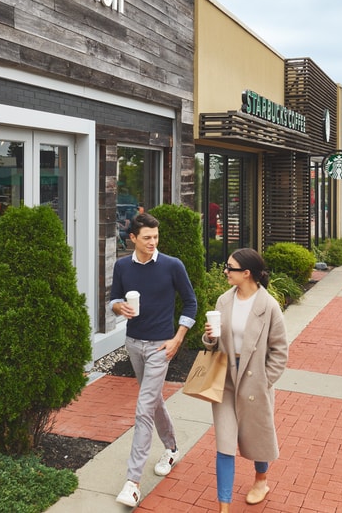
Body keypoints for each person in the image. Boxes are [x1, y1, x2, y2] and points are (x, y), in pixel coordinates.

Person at [110, 211, 197, 508]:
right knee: (154, 399)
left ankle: (132, 483)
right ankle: (171, 447)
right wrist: (119, 309)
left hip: (162, 346)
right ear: (132, 238)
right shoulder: (122, 266)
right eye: (146, 238)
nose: (152, 242)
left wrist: (178, 338)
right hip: (133, 344)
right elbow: (113, 300)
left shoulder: (172, 265)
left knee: (143, 409)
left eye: (156, 237)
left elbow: (191, 302)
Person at [202, 249, 288, 511]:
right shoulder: (223, 301)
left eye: (230, 268)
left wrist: (264, 381)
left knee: (256, 434)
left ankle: (261, 479)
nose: (225, 271)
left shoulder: (269, 306)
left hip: (254, 379)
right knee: (225, 442)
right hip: (226, 377)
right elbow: (212, 346)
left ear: (247, 273)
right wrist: (209, 338)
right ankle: (223, 507)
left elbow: (280, 351)